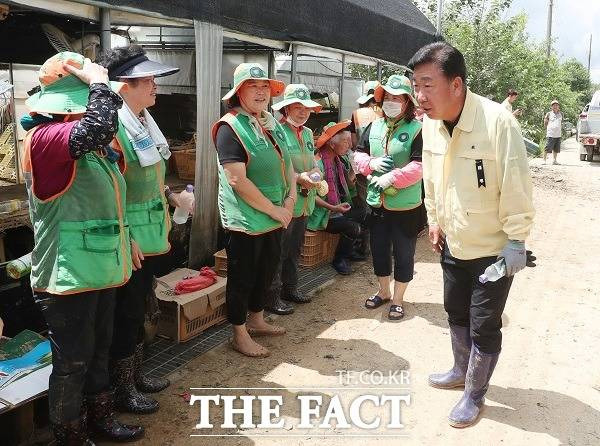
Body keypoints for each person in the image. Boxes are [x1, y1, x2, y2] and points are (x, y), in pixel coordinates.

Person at [409, 42, 535, 428]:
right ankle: (459, 370)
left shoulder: (497, 122)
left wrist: (516, 240)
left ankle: (474, 394)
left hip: (494, 251)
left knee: (484, 324)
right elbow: (432, 179)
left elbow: (515, 183)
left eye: (428, 85)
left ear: (457, 84)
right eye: (416, 85)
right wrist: (433, 218)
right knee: (455, 312)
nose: (420, 96)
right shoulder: (430, 124)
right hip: (452, 241)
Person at [21, 52, 143, 444]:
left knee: (98, 349)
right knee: (71, 361)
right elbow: (95, 128)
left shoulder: (92, 149)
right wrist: (100, 85)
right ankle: (69, 434)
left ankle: (100, 418)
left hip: (101, 267)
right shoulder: (45, 139)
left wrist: (127, 240)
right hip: (66, 275)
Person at [98, 45, 179, 415]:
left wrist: (172, 197)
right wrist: (126, 236)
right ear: (122, 86)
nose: (154, 86)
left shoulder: (144, 119)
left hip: (150, 234)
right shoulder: (114, 127)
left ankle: (137, 374)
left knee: (140, 304)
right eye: (145, 80)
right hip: (129, 238)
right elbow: (110, 190)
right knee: (126, 312)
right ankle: (122, 389)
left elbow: (150, 176)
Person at [213, 62, 296, 358]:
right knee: (243, 276)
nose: (261, 92)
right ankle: (239, 332)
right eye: (253, 86)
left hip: (275, 214)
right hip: (246, 219)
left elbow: (287, 163)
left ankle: (257, 319)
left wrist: (290, 200)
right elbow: (237, 179)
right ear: (239, 92)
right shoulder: (229, 126)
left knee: (266, 271)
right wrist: (275, 210)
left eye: (265, 87)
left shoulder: (268, 121)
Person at [354, 75, 425, 320]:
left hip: (405, 205)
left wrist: (392, 178)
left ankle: (398, 299)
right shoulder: (374, 126)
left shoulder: (417, 129)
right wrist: (371, 163)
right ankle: (383, 291)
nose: (392, 102)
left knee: (404, 253)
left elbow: (420, 166)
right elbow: (358, 156)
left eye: (397, 97)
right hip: (377, 202)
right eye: (388, 97)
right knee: (380, 249)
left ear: (407, 102)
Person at [266, 84, 322, 314]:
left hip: (305, 202)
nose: (302, 112)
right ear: (286, 108)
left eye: (306, 108)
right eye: (297, 107)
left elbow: (315, 163)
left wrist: (315, 176)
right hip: (286, 202)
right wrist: (300, 178)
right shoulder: (276, 131)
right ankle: (272, 297)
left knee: (294, 249)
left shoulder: (308, 133)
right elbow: (277, 168)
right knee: (278, 251)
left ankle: (290, 288)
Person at [308, 121, 363, 275]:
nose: (349, 145)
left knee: (365, 213)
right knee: (353, 227)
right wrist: (333, 208)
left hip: (336, 208)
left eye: (349, 141)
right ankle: (340, 259)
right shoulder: (318, 165)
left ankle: (350, 249)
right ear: (332, 144)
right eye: (345, 141)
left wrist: (353, 172)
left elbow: (348, 188)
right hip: (322, 214)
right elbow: (311, 196)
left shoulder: (338, 161)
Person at [348, 81, 382, 259]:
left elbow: (354, 143)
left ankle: (364, 248)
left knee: (365, 204)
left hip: (363, 167)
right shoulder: (386, 112)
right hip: (385, 168)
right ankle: (384, 246)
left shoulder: (357, 114)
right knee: (382, 205)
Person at [544, 99, 563, 165]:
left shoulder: (561, 114)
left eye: (556, 105)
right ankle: (544, 160)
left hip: (558, 134)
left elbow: (561, 123)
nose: (555, 106)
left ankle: (554, 161)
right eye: (553, 105)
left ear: (558, 106)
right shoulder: (549, 114)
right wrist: (547, 130)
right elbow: (545, 123)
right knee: (547, 147)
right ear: (551, 107)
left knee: (556, 149)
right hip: (550, 134)